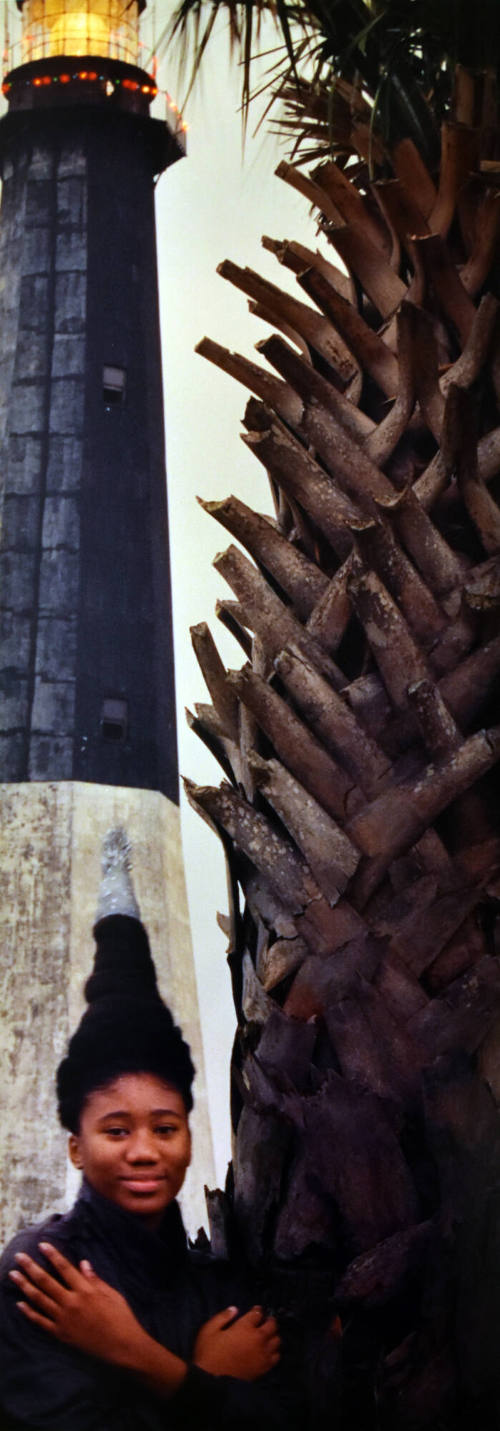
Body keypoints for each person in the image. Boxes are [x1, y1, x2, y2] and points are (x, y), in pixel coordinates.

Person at [0, 905, 297, 1431]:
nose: (145, 1151)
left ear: (186, 1136)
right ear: (76, 1146)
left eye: (165, 1128)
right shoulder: (45, 1275)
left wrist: (137, 1357)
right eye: (116, 1131)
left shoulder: (217, 1287)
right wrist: (195, 1376)